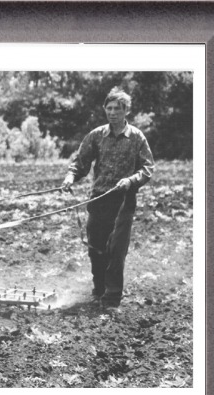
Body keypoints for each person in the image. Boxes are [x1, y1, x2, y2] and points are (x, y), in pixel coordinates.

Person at [61, 87, 155, 308]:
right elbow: (80, 163)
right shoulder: (96, 135)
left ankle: (112, 299)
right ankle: (99, 289)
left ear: (125, 111)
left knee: (116, 250)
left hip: (123, 201)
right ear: (105, 109)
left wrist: (130, 181)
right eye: (109, 108)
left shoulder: (136, 137)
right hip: (98, 199)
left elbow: (148, 168)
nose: (112, 112)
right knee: (96, 248)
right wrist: (69, 177)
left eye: (117, 109)